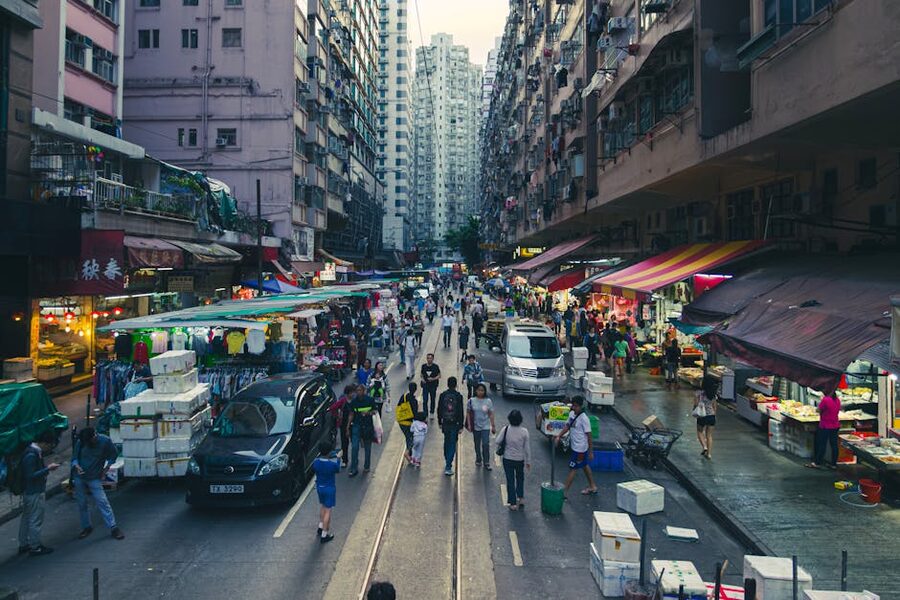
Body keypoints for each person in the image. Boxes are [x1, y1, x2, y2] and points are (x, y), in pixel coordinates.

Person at [72, 427, 124, 540]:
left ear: (95, 436)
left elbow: (113, 455)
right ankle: (86, 526)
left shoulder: (105, 441)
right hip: (79, 477)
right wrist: (77, 466)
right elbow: (74, 458)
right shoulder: (81, 442)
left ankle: (113, 527)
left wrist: (106, 469)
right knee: (82, 503)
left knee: (103, 501)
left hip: (94, 477)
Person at [18, 432, 60, 556]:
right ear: (44, 443)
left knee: (26, 518)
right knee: (35, 519)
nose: (50, 448)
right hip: (34, 491)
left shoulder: (31, 452)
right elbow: (30, 475)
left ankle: (24, 543)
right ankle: (35, 546)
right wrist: (48, 469)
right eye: (50, 446)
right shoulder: (32, 455)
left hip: (29, 491)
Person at [555, 396, 597, 498]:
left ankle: (564, 492)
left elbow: (589, 436)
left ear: (581, 406)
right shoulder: (571, 414)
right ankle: (593, 486)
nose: (574, 408)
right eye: (573, 405)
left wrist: (591, 451)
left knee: (573, 468)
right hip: (575, 447)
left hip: (580, 449)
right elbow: (567, 426)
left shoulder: (584, 419)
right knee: (584, 465)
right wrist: (559, 436)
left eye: (576, 406)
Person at [497, 410, 531, 511]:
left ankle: (512, 503)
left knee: (510, 480)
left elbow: (497, 441)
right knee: (520, 478)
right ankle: (520, 498)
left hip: (507, 459)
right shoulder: (524, 431)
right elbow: (527, 448)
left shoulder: (506, 429)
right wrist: (528, 462)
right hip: (519, 459)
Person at [312, 440, 340, 543]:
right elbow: (337, 469)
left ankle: (320, 526)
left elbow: (315, 468)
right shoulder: (332, 464)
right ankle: (325, 534)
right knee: (328, 510)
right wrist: (337, 458)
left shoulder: (316, 462)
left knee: (323, 506)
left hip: (320, 487)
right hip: (329, 488)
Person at [347, 384, 377, 477]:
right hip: (357, 425)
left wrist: (368, 413)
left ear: (364, 391)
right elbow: (351, 414)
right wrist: (347, 427)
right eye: (357, 390)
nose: (358, 392)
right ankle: (353, 468)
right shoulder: (354, 402)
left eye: (360, 390)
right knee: (355, 447)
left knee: (368, 447)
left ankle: (366, 466)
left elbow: (375, 411)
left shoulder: (370, 400)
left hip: (368, 426)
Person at [808, 390, 842, 469]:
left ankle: (817, 462)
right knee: (834, 445)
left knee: (822, 444)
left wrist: (821, 402)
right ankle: (833, 464)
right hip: (835, 425)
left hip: (825, 425)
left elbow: (818, 410)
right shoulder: (837, 400)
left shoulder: (825, 399)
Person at [438, 376, 465, 475]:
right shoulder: (458, 396)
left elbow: (439, 409)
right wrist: (461, 425)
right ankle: (448, 465)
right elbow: (461, 411)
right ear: (456, 385)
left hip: (445, 422)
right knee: (453, 443)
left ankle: (447, 459)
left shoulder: (443, 395)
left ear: (447, 384)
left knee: (446, 441)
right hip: (455, 423)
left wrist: (439, 422)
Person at [466, 384, 495, 469]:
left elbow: (491, 414)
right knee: (477, 444)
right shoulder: (471, 401)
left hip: (485, 426)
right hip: (475, 426)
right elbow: (468, 413)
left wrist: (493, 425)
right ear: (476, 391)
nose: (480, 392)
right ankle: (478, 459)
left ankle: (486, 462)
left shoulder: (488, 401)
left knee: (485, 444)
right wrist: (469, 425)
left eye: (482, 390)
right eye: (479, 390)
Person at [327, 385, 356, 468]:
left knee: (354, 443)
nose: (353, 394)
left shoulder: (354, 400)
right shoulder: (343, 401)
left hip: (353, 424)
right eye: (352, 392)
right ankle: (345, 460)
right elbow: (333, 408)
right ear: (348, 393)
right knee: (344, 443)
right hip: (343, 425)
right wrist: (337, 416)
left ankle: (353, 460)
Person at [694, 375, 718, 459]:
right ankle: (709, 454)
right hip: (711, 416)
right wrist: (714, 415)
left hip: (702, 416)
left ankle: (704, 447)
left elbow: (696, 404)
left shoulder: (699, 393)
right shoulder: (713, 394)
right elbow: (714, 406)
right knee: (709, 435)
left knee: (700, 431)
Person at [397, 383, 419, 464]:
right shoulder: (414, 401)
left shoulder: (404, 397)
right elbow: (415, 414)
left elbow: (398, 406)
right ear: (415, 389)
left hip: (401, 421)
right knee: (412, 439)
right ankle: (408, 452)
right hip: (408, 423)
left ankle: (410, 455)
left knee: (408, 437)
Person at [420, 354, 441, 419]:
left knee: (432, 399)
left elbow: (439, 375)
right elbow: (421, 374)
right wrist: (423, 379)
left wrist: (433, 379)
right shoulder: (423, 366)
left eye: (430, 358)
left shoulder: (436, 366)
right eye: (428, 358)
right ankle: (425, 414)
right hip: (425, 385)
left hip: (433, 386)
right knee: (425, 400)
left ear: (433, 359)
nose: (429, 359)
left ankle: (432, 412)